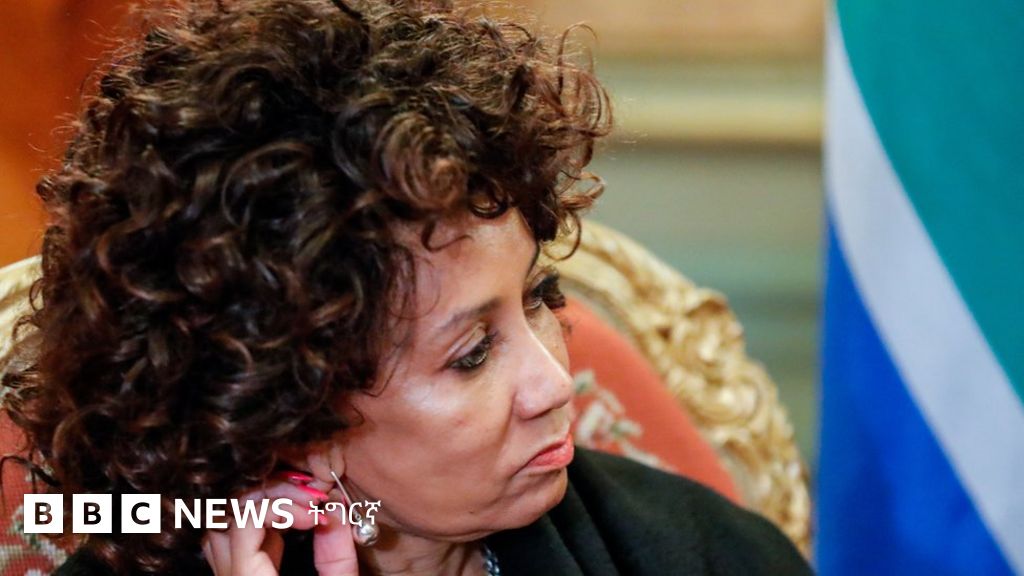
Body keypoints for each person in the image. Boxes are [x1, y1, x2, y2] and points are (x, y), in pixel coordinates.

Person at [1, 0, 813, 574]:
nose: (555, 384)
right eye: (471, 353)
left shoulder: (700, 552)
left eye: (539, 297)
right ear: (285, 418)